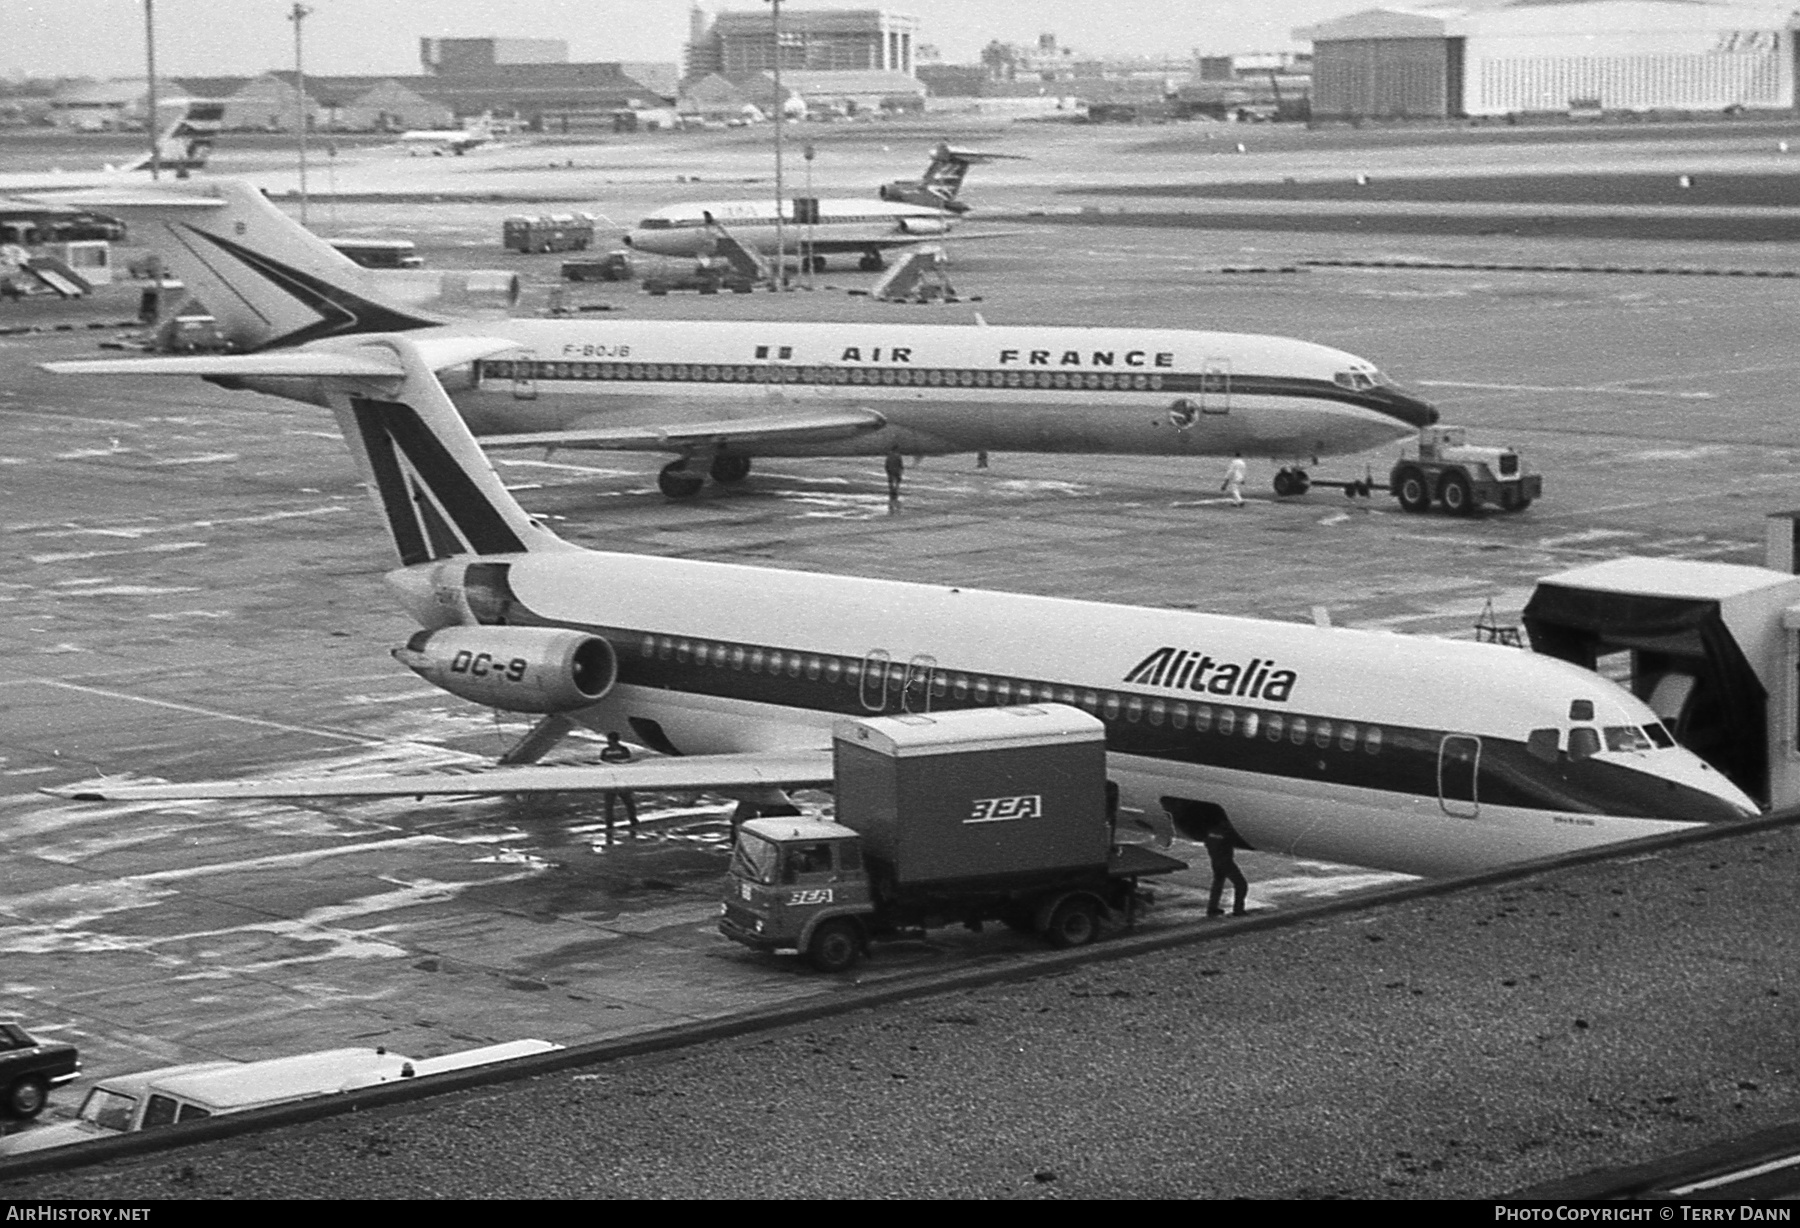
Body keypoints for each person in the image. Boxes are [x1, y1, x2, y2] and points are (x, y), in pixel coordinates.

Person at [1202, 819, 1248, 917]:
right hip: (1225, 862)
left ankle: (1212, 908)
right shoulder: (1226, 832)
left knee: (1218, 883)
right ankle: (1238, 910)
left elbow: (1207, 843)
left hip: (1215, 860)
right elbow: (1238, 841)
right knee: (1241, 884)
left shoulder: (1211, 832)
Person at [600, 731, 637, 843]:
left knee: (609, 805)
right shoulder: (624, 750)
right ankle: (633, 821)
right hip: (622, 780)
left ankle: (609, 825)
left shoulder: (605, 751)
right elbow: (628, 762)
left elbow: (602, 764)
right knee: (629, 802)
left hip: (610, 781)